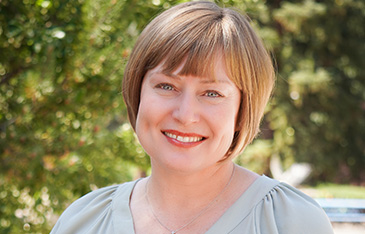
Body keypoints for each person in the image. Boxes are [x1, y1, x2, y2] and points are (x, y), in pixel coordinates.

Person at [51, 1, 334, 233]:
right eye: (166, 86)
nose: (185, 115)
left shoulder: (290, 222)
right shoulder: (83, 221)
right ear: (137, 93)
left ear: (241, 112)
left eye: (212, 93)